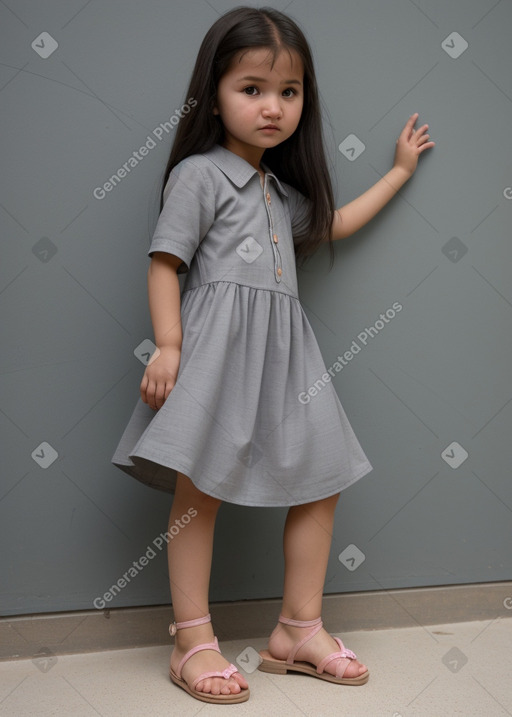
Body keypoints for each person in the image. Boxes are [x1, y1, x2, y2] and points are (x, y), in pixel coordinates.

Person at [112, 6, 434, 705]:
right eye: (252, 88)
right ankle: (192, 638)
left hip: (288, 360)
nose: (272, 107)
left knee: (324, 476)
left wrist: (399, 173)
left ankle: (297, 628)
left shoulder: (279, 192)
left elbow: (335, 222)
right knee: (200, 489)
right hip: (215, 352)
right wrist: (168, 344)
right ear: (214, 93)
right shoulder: (199, 176)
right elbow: (165, 263)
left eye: (288, 93)